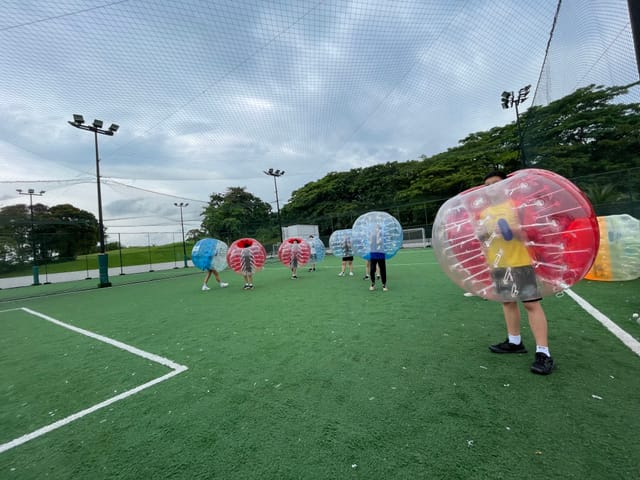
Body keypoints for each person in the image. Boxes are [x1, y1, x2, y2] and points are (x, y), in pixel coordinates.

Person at [479, 170, 554, 375]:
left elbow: (531, 233)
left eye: (495, 184)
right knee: (507, 302)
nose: (492, 188)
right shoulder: (485, 214)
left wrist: (511, 231)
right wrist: (486, 246)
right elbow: (486, 240)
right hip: (499, 264)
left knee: (530, 304)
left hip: (520, 262)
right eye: (487, 186)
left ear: (505, 185)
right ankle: (514, 341)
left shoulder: (517, 207)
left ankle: (543, 352)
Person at [368, 223, 388, 291]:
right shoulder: (372, 235)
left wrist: (378, 235)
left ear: (380, 229)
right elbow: (370, 243)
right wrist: (371, 237)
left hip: (381, 254)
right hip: (373, 254)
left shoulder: (382, 235)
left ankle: (384, 285)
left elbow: (379, 243)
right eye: (375, 228)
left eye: (378, 228)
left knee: (383, 269)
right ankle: (372, 283)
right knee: (372, 270)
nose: (376, 229)